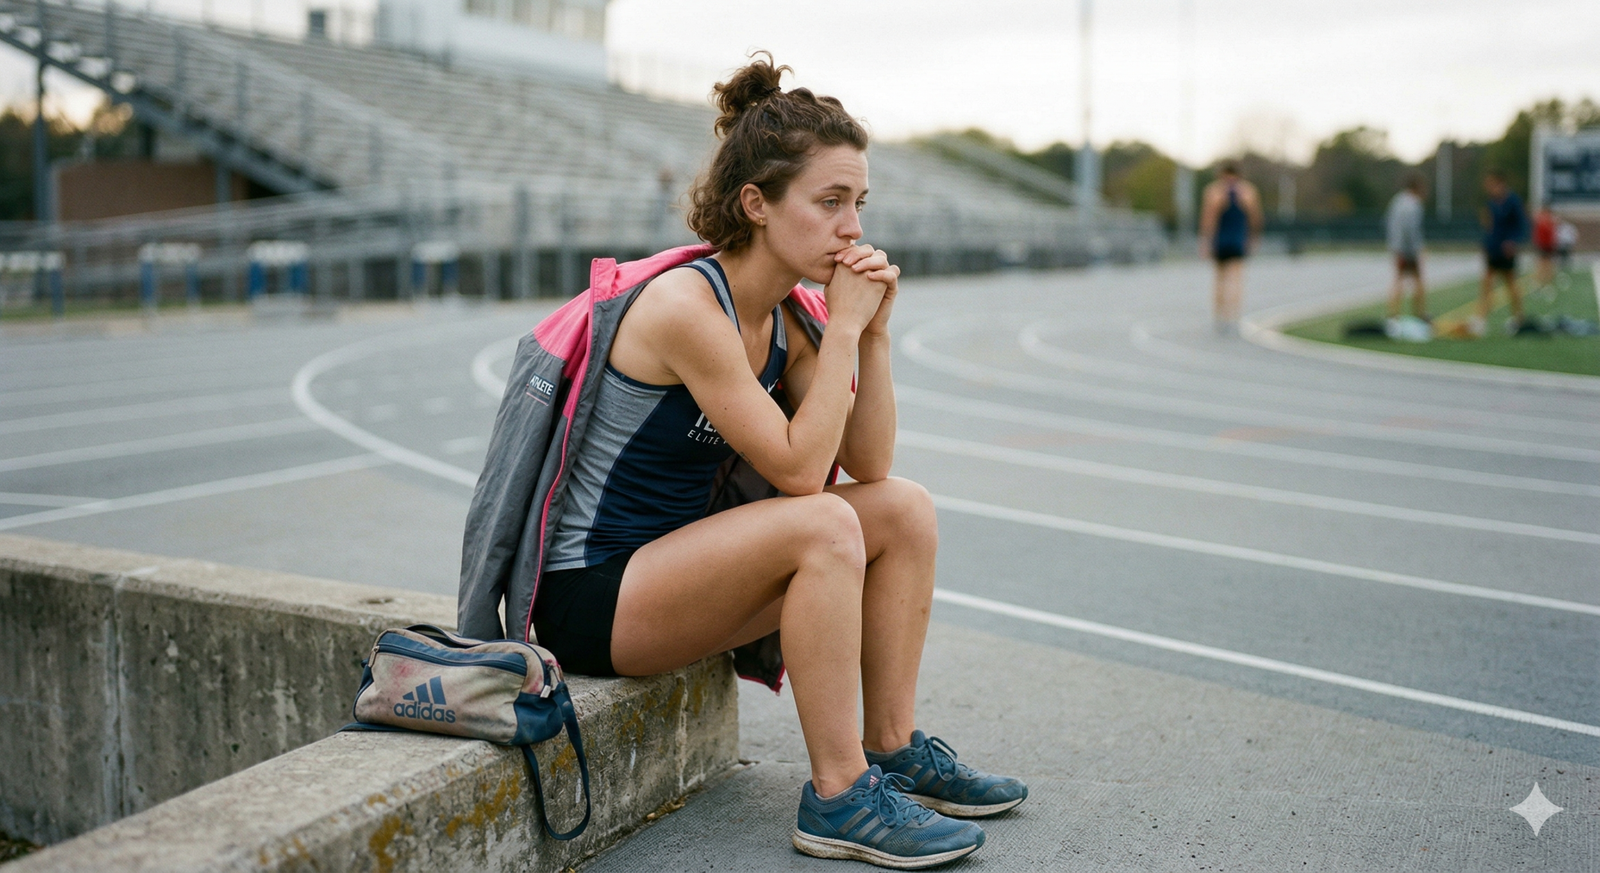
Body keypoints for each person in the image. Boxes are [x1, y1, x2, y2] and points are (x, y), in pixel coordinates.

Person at [457, 54, 1024, 870]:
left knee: (903, 508)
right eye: (830, 203)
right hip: (595, 593)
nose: (853, 228)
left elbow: (868, 458)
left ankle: (891, 747)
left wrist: (872, 335)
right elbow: (802, 473)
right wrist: (843, 333)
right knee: (823, 523)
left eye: (859, 204)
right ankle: (838, 796)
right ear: (755, 204)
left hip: (680, 574)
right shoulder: (687, 308)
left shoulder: (790, 316)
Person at [1198, 161, 1264, 334]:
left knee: (1221, 279)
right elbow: (1255, 218)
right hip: (1236, 239)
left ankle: (1222, 316)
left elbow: (1208, 219)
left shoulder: (1214, 191)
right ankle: (1232, 316)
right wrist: (1253, 238)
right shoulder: (1247, 192)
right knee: (1235, 279)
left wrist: (1205, 242)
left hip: (1223, 239)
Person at [1476, 170, 1529, 337]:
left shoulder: (1513, 201)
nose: (1490, 188)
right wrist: (1486, 245)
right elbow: (1489, 227)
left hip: (1507, 250)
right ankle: (1481, 320)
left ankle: (1518, 319)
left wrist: (1513, 241)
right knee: (1487, 285)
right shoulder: (1491, 203)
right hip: (1493, 249)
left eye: (1492, 184)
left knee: (1511, 284)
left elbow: (1522, 225)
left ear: (1500, 184)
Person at [1384, 174, 1429, 333]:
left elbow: (1389, 224)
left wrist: (1395, 248)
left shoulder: (1396, 201)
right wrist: (1416, 251)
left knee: (1398, 281)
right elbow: (1411, 230)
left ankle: (1392, 317)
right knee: (1417, 281)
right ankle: (1420, 314)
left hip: (1397, 248)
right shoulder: (1414, 204)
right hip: (1408, 249)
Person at [1532, 204, 1558, 291]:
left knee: (1547, 263)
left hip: (1547, 245)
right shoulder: (1544, 220)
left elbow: (1552, 234)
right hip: (1543, 244)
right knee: (1543, 263)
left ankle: (1546, 280)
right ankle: (1542, 280)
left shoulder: (1547, 220)